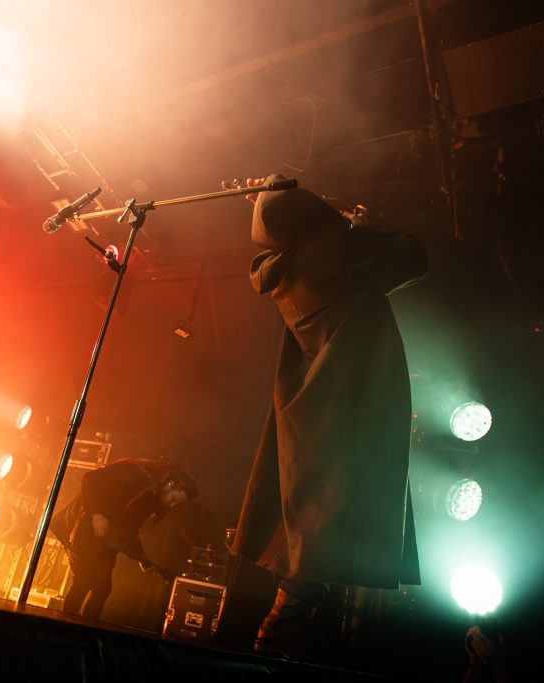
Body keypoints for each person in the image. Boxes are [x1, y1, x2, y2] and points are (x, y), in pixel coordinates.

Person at [231, 175, 428, 660]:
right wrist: (359, 225)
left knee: (319, 520)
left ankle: (281, 632)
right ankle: (281, 630)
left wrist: (273, 207)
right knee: (331, 520)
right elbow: (412, 255)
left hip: (323, 403)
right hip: (350, 401)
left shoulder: (281, 265)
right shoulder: (329, 253)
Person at [50, 458, 198, 620]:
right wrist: (96, 514)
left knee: (102, 589)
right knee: (84, 581)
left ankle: (83, 630)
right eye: (173, 499)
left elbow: (129, 531)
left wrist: (142, 557)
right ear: (170, 484)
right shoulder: (132, 473)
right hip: (83, 530)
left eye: (176, 505)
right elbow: (90, 479)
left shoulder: (150, 500)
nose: (171, 505)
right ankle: (63, 627)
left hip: (103, 540)